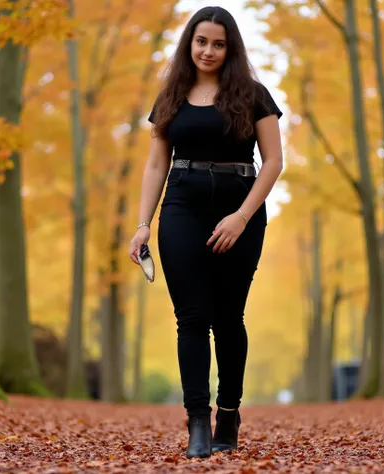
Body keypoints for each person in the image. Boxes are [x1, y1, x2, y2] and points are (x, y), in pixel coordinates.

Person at [129, 5, 283, 459]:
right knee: (191, 317)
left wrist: (241, 217)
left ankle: (228, 414)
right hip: (182, 206)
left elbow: (273, 162)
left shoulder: (253, 95)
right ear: (189, 44)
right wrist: (143, 224)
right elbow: (157, 162)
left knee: (228, 318)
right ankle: (198, 420)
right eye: (201, 41)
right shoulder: (171, 96)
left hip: (242, 206)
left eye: (218, 43)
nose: (209, 50)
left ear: (229, 47)